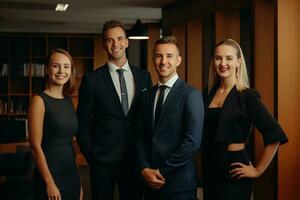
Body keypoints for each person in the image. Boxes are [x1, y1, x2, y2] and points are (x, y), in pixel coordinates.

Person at [201, 38, 288, 200]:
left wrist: (258, 169)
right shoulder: (207, 94)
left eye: (229, 58)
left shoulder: (247, 96)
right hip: (210, 168)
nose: (223, 63)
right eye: (218, 58)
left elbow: (275, 133)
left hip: (234, 170)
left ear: (238, 62)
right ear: (213, 62)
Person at [76, 20, 152, 200]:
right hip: (102, 161)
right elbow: (82, 122)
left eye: (119, 39)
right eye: (109, 40)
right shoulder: (92, 80)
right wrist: (91, 156)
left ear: (127, 42)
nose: (115, 44)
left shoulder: (144, 76)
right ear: (104, 45)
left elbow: (147, 118)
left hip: (135, 160)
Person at [136, 36, 204, 200]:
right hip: (149, 183)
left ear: (178, 60)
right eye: (158, 56)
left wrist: (162, 172)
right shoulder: (146, 96)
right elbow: (138, 136)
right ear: (153, 59)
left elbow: (192, 141)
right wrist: (144, 168)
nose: (163, 61)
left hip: (179, 185)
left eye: (169, 56)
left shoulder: (191, 94)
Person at [28, 48, 81, 200]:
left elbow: (70, 143)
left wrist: (79, 182)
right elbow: (35, 146)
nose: (61, 71)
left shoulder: (69, 101)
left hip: (71, 175)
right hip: (49, 176)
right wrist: (49, 183)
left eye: (66, 66)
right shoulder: (39, 101)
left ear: (71, 71)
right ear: (46, 69)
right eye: (56, 66)